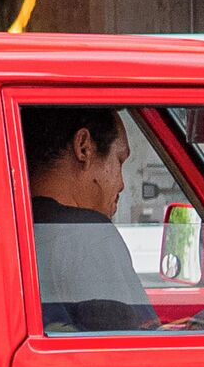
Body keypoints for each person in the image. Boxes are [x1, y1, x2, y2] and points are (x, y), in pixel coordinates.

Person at [25, 103, 156, 332]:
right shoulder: (87, 234)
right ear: (84, 148)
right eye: (119, 161)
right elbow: (133, 349)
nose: (122, 183)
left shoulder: (16, 231)